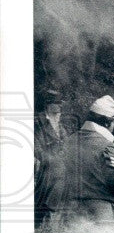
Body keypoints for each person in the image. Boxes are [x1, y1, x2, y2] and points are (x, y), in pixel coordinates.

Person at [59, 95, 114, 227]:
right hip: (100, 215)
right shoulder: (107, 146)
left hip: (72, 213)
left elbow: (90, 174)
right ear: (106, 122)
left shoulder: (70, 140)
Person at [34, 89, 70, 224]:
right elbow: (36, 148)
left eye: (59, 107)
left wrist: (61, 158)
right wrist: (51, 159)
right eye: (55, 105)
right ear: (47, 106)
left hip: (56, 167)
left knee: (65, 173)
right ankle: (45, 213)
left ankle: (50, 212)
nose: (58, 111)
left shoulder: (61, 127)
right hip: (43, 165)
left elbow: (66, 146)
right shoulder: (38, 124)